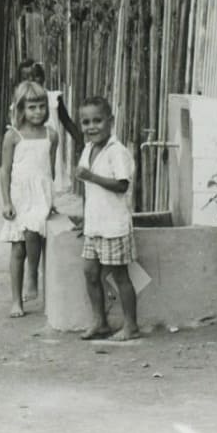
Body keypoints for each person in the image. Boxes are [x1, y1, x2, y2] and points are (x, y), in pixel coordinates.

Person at [74, 96, 140, 341]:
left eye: (97, 121)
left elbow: (122, 185)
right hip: (95, 224)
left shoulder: (117, 152)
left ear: (110, 121)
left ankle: (131, 325)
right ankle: (100, 322)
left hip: (113, 225)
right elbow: (90, 190)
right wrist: (85, 218)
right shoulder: (89, 149)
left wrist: (91, 177)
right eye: (86, 122)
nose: (92, 127)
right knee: (90, 272)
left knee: (120, 275)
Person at [0, 80, 57, 318]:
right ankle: (16, 300)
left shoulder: (51, 135)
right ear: (21, 109)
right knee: (18, 249)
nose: (38, 112)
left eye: (42, 106)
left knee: (34, 233)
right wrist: (6, 202)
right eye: (32, 107)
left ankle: (33, 275)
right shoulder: (13, 137)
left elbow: (49, 170)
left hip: (41, 195)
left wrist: (51, 199)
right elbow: (5, 170)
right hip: (20, 196)